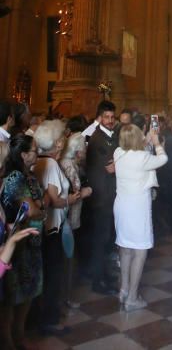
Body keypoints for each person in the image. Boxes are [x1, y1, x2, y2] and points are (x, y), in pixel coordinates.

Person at [34, 119, 82, 335]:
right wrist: (72, 199)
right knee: (53, 273)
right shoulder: (51, 164)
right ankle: (51, 319)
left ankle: (44, 316)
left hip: (44, 225)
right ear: (57, 143)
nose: (64, 139)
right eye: (61, 136)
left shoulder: (39, 161)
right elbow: (54, 198)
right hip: (52, 226)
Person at [114, 124, 167, 310]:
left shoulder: (118, 153)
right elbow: (163, 159)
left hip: (121, 205)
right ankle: (133, 298)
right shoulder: (143, 157)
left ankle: (124, 289)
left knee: (125, 247)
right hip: (138, 207)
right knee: (140, 250)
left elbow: (134, 148)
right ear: (138, 138)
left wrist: (146, 138)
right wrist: (157, 142)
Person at [0, 134, 45, 349]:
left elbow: (39, 206)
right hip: (16, 246)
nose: (38, 152)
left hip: (30, 242)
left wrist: (40, 206)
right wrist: (41, 206)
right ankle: (13, 340)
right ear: (24, 154)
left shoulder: (30, 175)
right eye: (35, 149)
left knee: (27, 292)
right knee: (12, 296)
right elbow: (35, 210)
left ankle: (19, 337)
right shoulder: (16, 177)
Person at [85, 100, 119, 294]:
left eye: (112, 117)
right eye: (106, 117)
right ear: (100, 118)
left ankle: (104, 275)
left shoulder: (111, 137)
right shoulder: (98, 139)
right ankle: (98, 280)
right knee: (100, 240)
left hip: (109, 196)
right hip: (102, 198)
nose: (110, 120)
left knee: (106, 239)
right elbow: (109, 167)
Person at [59, 132, 93, 305]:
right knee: (67, 258)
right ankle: (65, 297)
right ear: (78, 151)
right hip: (69, 218)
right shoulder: (69, 166)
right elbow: (73, 194)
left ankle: (65, 296)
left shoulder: (66, 162)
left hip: (69, 218)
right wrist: (86, 192)